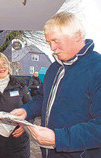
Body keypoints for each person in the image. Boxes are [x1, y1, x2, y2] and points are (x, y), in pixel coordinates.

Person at [11, 11, 101, 158]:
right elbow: (42, 99)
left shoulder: (97, 68)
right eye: (49, 42)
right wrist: (26, 111)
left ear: (77, 35)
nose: (52, 48)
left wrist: (58, 138)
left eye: (56, 41)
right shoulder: (54, 68)